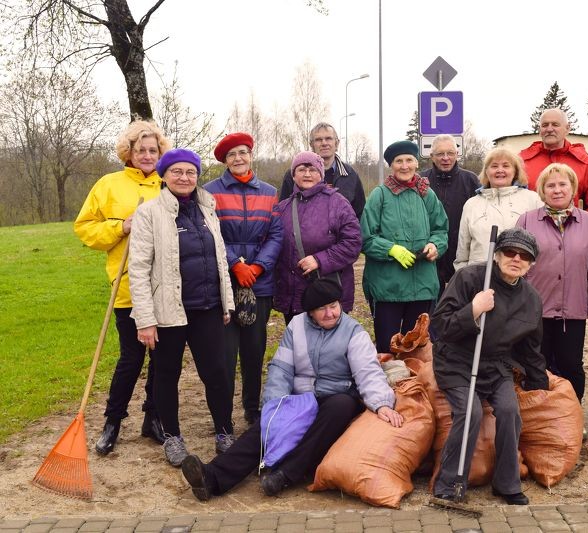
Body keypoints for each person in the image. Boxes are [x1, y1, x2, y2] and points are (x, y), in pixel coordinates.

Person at [180, 278, 404, 501]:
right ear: (310, 313)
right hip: (302, 398)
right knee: (267, 427)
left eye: (334, 306)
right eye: (322, 309)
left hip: (336, 396)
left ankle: (285, 474)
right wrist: (275, 406)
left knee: (341, 405)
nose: (330, 313)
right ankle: (211, 477)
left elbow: (368, 372)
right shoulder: (296, 326)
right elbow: (281, 368)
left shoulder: (353, 331)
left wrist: (381, 403)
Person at [128, 148, 236, 467]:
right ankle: (173, 437)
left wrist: (226, 303)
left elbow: (219, 260)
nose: (184, 177)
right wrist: (145, 320)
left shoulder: (207, 207)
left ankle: (224, 431)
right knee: (166, 374)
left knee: (217, 373)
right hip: (167, 312)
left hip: (208, 309)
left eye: (190, 172)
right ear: (164, 175)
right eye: (176, 171)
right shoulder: (150, 213)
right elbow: (138, 269)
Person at [74, 120, 171, 455]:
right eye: (140, 149)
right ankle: (112, 422)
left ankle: (153, 418)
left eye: (153, 150)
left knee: (162, 359)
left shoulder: (168, 183)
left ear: (161, 153)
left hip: (166, 288)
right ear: (128, 152)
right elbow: (84, 227)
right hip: (127, 288)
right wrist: (120, 226)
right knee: (131, 357)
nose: (147, 155)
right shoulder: (109, 185)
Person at [432, 228, 548, 505]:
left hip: (496, 366)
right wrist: (473, 309)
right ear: (497, 255)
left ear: (531, 264)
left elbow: (531, 348)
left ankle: (507, 483)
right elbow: (439, 327)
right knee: (470, 412)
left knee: (510, 411)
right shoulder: (470, 278)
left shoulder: (531, 299)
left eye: (524, 256)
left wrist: (540, 381)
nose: (516, 259)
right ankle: (449, 483)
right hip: (457, 361)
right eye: (510, 252)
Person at [204, 132, 283, 425]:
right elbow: (210, 234)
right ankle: (222, 413)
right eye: (232, 155)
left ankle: (252, 407)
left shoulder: (268, 191)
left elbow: (276, 234)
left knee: (254, 350)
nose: (238, 159)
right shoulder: (209, 192)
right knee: (225, 353)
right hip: (223, 283)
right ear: (225, 161)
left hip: (258, 283)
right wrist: (234, 265)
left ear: (250, 155)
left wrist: (258, 266)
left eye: (243, 153)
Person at [516, 163, 588, 414]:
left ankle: (570, 415)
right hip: (535, 310)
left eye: (562, 184)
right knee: (536, 364)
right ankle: (539, 417)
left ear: (573, 189)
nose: (557, 190)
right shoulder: (527, 220)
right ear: (542, 191)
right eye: (550, 185)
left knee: (571, 365)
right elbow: (515, 263)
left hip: (573, 309)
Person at [360, 140, 449, 353]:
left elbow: (441, 230)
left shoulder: (426, 194)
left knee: (417, 348)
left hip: (422, 287)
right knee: (388, 347)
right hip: (388, 287)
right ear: (392, 165)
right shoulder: (379, 195)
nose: (404, 165)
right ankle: (385, 385)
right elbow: (365, 237)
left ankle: (414, 386)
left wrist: (435, 245)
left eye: (409, 160)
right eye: (398, 161)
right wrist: (390, 249)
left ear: (416, 163)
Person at [274, 151, 362, 323]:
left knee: (332, 348)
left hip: (327, 296)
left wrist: (320, 260)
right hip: (294, 297)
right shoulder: (282, 208)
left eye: (312, 169)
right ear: (293, 175)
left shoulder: (338, 203)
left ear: (321, 174)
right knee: (299, 346)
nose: (307, 174)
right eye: (301, 169)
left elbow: (353, 243)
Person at [454, 147, 542, 269]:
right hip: (478, 279)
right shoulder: (472, 204)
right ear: (486, 172)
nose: (500, 170)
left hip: (519, 280)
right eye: (494, 166)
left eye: (506, 166)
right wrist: (465, 278)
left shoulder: (532, 200)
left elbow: (541, 245)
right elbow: (463, 252)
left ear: (515, 171)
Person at [420, 134, 480, 297]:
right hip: (430, 256)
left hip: (461, 253)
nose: (446, 158)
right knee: (431, 308)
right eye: (440, 154)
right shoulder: (421, 180)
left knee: (460, 305)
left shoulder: (471, 180)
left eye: (450, 153)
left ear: (457, 154)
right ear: (432, 156)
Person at [519, 108, 588, 216]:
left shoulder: (583, 162)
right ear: (540, 130)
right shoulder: (522, 161)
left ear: (567, 128)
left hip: (571, 230)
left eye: (555, 124)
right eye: (545, 125)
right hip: (530, 230)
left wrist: (584, 227)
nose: (549, 129)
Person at [279, 122, 366, 219]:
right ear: (312, 145)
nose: (324, 143)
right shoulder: (294, 175)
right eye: (319, 140)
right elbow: (283, 212)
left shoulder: (350, 175)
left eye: (328, 138)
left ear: (336, 143)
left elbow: (360, 214)